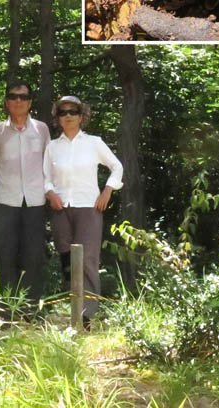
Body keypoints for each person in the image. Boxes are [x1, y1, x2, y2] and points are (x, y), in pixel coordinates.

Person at [43, 95, 123, 327]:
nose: (68, 116)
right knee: (67, 260)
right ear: (57, 118)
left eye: (73, 112)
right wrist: (51, 194)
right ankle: (73, 310)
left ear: (81, 116)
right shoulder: (52, 147)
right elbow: (45, 177)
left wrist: (107, 190)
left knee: (87, 259)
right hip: (61, 208)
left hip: (88, 207)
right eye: (63, 112)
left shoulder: (94, 143)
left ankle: (86, 316)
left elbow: (117, 166)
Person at [0, 80, 50, 308]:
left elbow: (48, 163)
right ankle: (7, 308)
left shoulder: (41, 129)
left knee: (33, 255)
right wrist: (6, 186)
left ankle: (31, 308)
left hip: (35, 200)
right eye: (13, 96)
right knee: (6, 254)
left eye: (23, 97)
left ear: (30, 102)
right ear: (6, 102)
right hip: (6, 200)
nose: (18, 101)